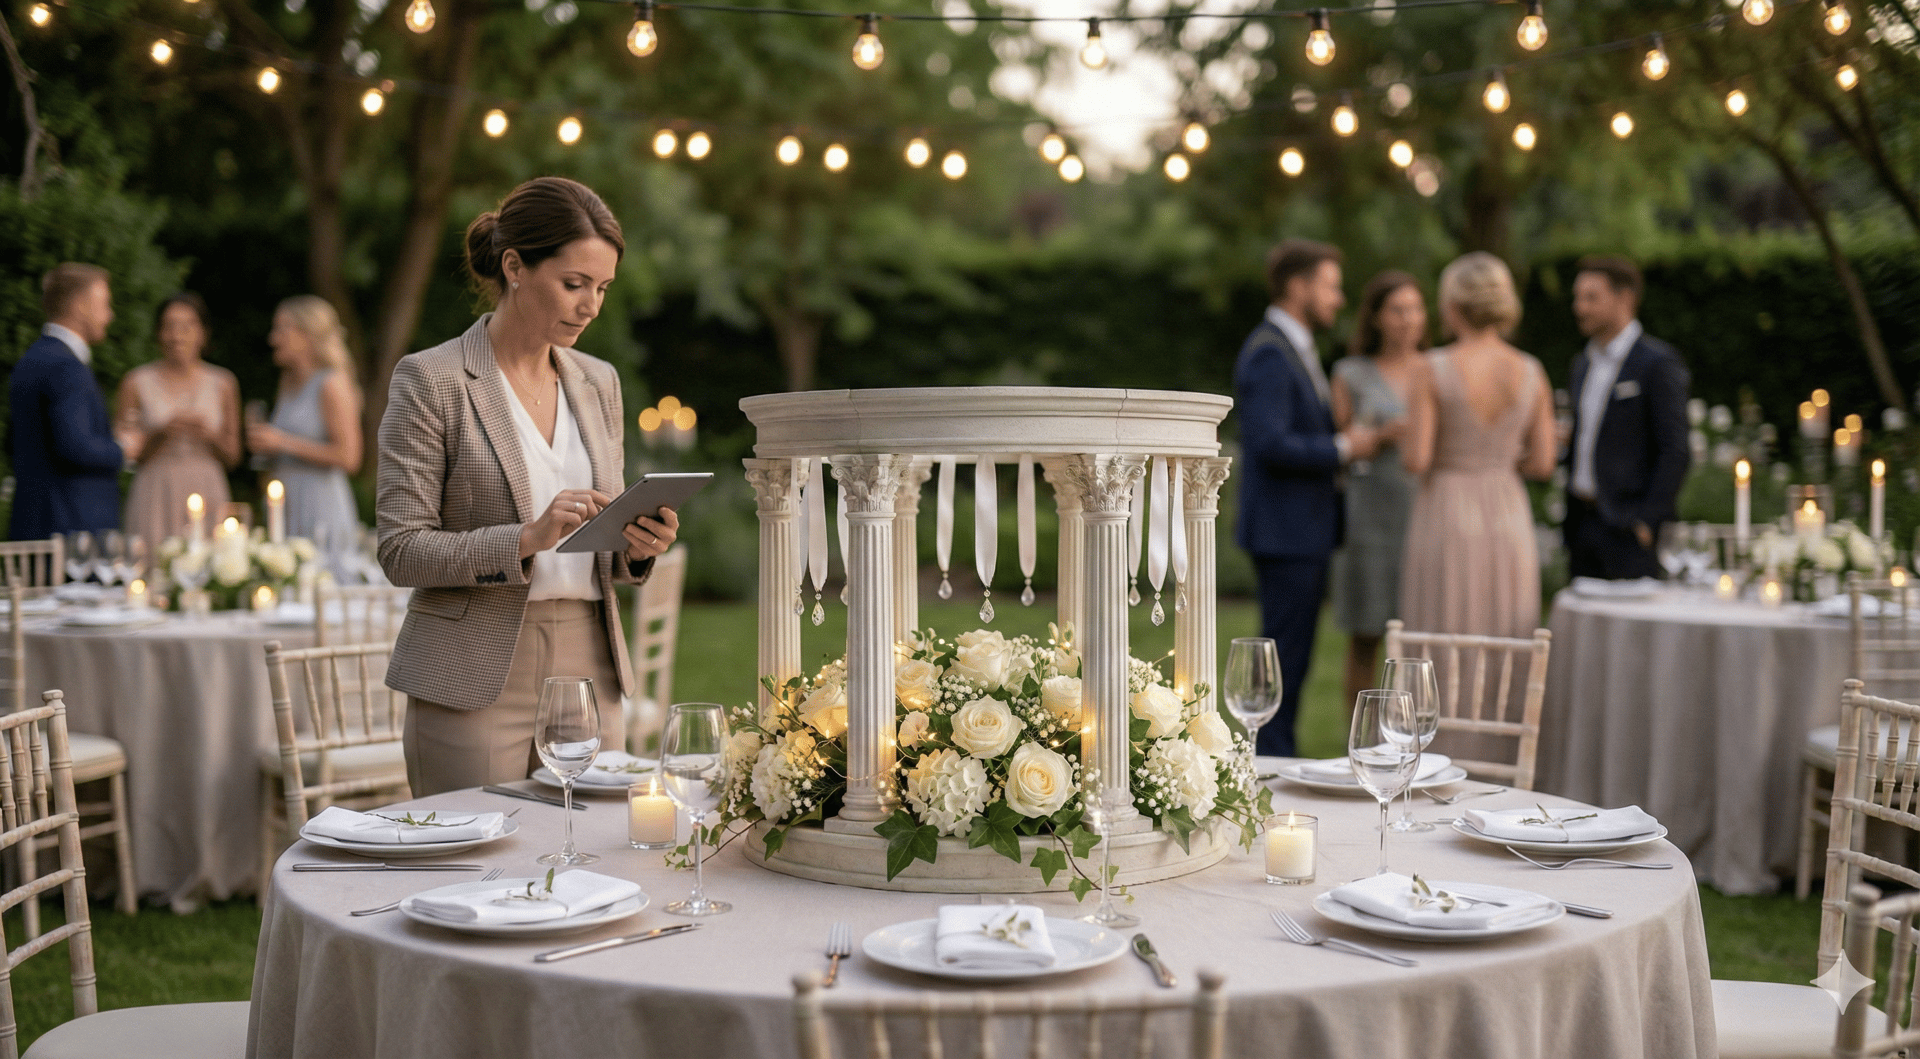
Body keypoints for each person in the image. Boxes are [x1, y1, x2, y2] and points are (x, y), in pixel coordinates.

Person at [377, 176, 680, 797]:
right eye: (574, 285)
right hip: (475, 664)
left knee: (592, 862)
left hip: (590, 658)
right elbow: (400, 549)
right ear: (515, 266)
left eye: (601, 288)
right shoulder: (431, 380)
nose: (591, 305)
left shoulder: (600, 383)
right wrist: (526, 537)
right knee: (476, 868)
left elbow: (605, 537)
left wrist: (636, 546)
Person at [1234, 239, 1382, 757]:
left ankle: (1275, 767)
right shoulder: (1271, 351)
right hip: (1285, 530)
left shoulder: (1291, 345)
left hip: (1300, 529)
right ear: (1298, 287)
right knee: (1282, 664)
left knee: (1291, 663)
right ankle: (1271, 770)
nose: (1339, 299)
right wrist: (1345, 446)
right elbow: (1269, 441)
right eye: (1331, 286)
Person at [1399, 252, 1557, 641]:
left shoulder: (1429, 368)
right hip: (1507, 510)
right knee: (1504, 626)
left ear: (1452, 306)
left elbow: (1416, 459)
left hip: (1446, 510)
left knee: (1443, 624)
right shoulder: (1532, 372)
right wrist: (1498, 459)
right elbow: (1542, 463)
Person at [1330, 271, 1425, 711]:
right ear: (1377, 317)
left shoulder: (1436, 369)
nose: (1408, 319)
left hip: (1423, 511)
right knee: (1366, 633)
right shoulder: (1351, 373)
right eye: (1398, 309)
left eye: (1415, 308)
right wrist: (1383, 434)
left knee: (1419, 633)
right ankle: (1360, 739)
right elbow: (1342, 443)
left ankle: (1410, 734)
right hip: (1369, 513)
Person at [1563, 255, 1691, 580]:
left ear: (1625, 298)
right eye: (1578, 297)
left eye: (1592, 298)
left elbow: (1675, 449)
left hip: (1627, 529)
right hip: (1582, 523)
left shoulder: (1657, 364)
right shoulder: (1582, 363)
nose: (1580, 308)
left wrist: (1647, 522)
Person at [7, 263, 125, 541]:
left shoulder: (31, 359)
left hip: (32, 526)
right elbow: (76, 447)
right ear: (81, 306)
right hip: (70, 532)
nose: (110, 316)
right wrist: (123, 448)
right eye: (104, 305)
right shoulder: (67, 367)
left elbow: (14, 443)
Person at [116, 292, 241, 550]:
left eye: (187, 326)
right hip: (155, 490)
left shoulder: (223, 383)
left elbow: (233, 456)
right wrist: (160, 433)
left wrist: (209, 434)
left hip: (208, 487)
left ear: (203, 333)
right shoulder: (135, 382)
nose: (177, 335)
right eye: (169, 326)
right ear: (158, 333)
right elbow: (126, 455)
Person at [246, 296, 363, 550]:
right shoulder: (287, 383)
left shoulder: (331, 384)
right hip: (285, 502)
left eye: (281, 329)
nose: (273, 339)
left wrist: (281, 442)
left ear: (307, 335)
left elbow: (349, 457)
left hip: (320, 503)